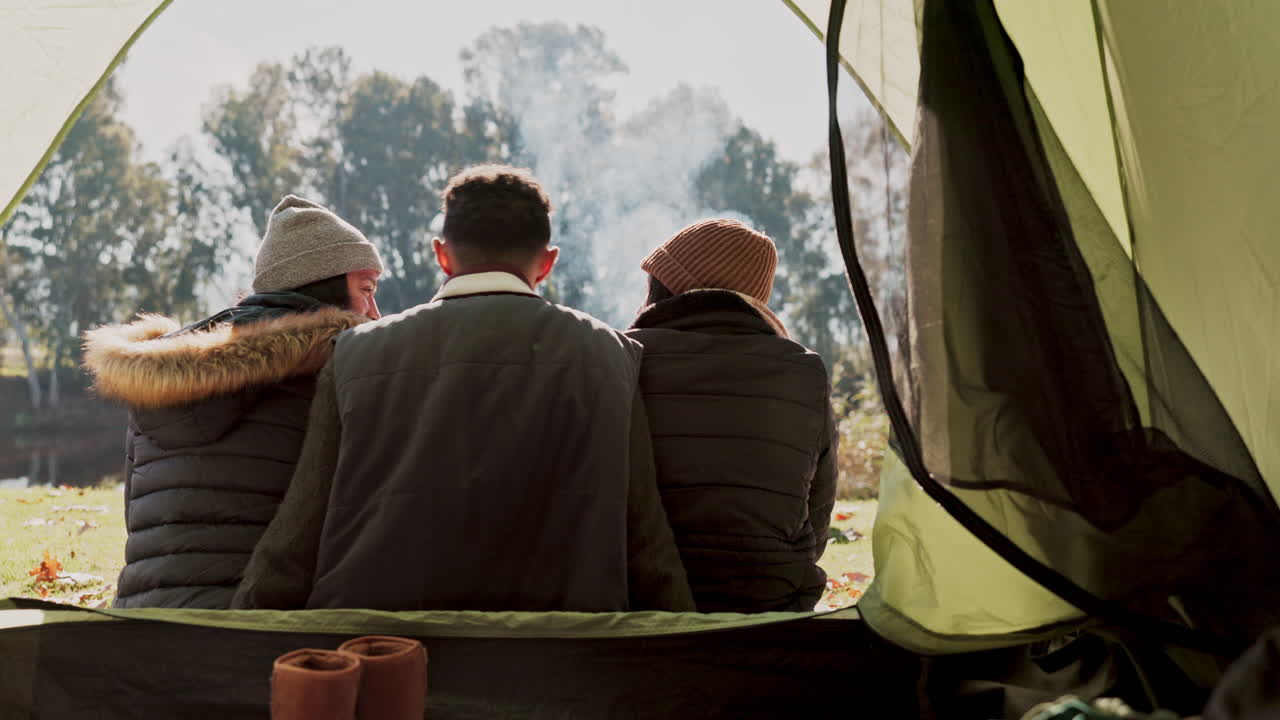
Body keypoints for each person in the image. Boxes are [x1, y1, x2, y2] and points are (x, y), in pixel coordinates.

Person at [233, 164, 693, 612]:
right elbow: (647, 546)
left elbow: (297, 537)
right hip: (562, 654)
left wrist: (239, 627)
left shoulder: (356, 355)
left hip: (387, 651)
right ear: (547, 263)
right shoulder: (610, 356)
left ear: (442, 255)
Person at [82, 195, 384, 608]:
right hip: (258, 623)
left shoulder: (155, 374)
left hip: (142, 617)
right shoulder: (338, 365)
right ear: (323, 285)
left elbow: (135, 517)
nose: (375, 312)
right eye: (366, 290)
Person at [625, 218, 838, 613]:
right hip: (770, 600)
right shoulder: (804, 371)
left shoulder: (623, 358)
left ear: (668, 286)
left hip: (641, 599)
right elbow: (818, 511)